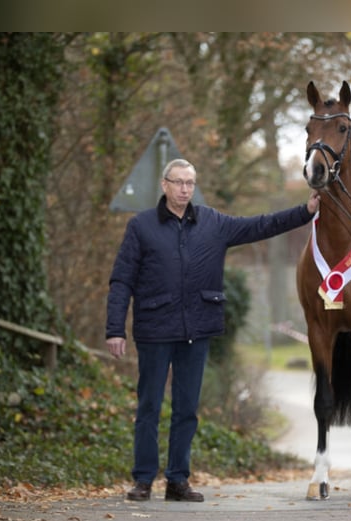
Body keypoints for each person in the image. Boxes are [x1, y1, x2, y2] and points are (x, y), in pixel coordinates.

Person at [106, 158, 320, 502]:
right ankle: (143, 479)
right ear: (164, 185)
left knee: (187, 408)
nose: (184, 189)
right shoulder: (141, 227)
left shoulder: (212, 223)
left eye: (190, 182)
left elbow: (260, 225)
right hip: (155, 330)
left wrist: (305, 211)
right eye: (178, 182)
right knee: (149, 406)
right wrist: (115, 328)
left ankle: (178, 480)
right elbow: (121, 281)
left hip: (197, 330)